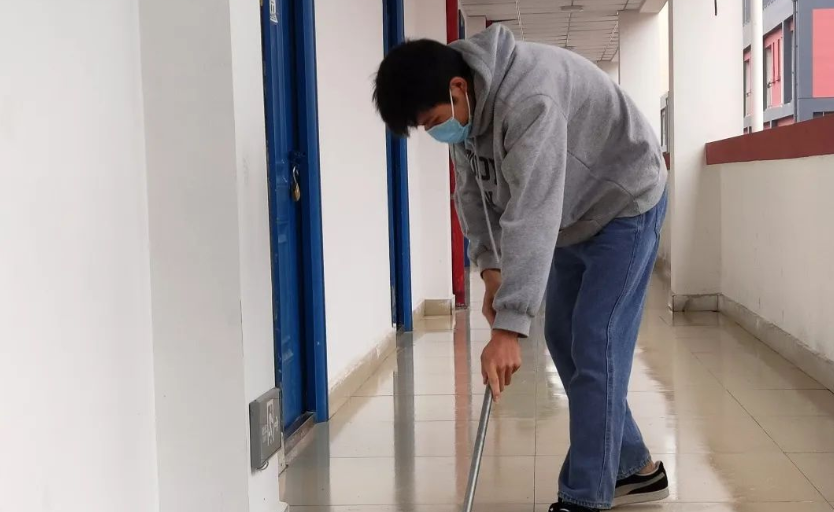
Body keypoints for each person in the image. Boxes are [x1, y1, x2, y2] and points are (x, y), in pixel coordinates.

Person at [373, 24, 668, 512]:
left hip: (625, 201)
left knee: (596, 340)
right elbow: (472, 194)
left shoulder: (530, 99)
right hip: (575, 212)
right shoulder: (467, 112)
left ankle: (584, 498)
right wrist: (491, 271)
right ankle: (633, 466)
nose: (437, 132)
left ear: (458, 87)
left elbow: (533, 212)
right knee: (563, 337)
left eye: (434, 121)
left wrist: (509, 327)